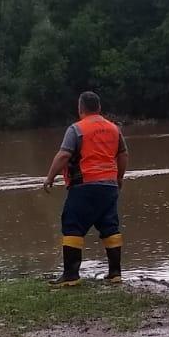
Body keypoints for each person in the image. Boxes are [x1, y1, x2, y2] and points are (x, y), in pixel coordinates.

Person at [42, 91, 127, 286]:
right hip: (109, 186)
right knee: (110, 226)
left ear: (80, 109)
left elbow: (64, 155)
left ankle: (71, 276)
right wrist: (119, 178)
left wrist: (49, 178)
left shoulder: (76, 129)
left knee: (72, 225)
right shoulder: (114, 129)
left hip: (84, 186)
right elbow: (123, 155)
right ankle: (115, 273)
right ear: (99, 108)